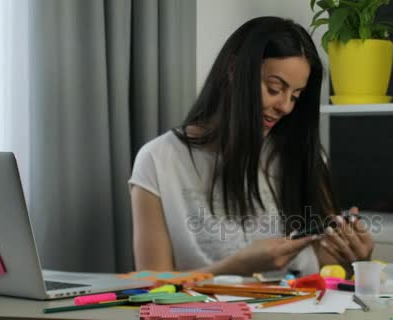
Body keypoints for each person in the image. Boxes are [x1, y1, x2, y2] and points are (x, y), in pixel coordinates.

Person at [129, 16, 374, 276]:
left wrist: (354, 260)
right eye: (274, 88)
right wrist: (233, 268)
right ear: (234, 69)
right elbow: (150, 285)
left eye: (296, 96)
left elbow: (326, 266)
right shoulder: (158, 161)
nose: (285, 106)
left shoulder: (301, 154)